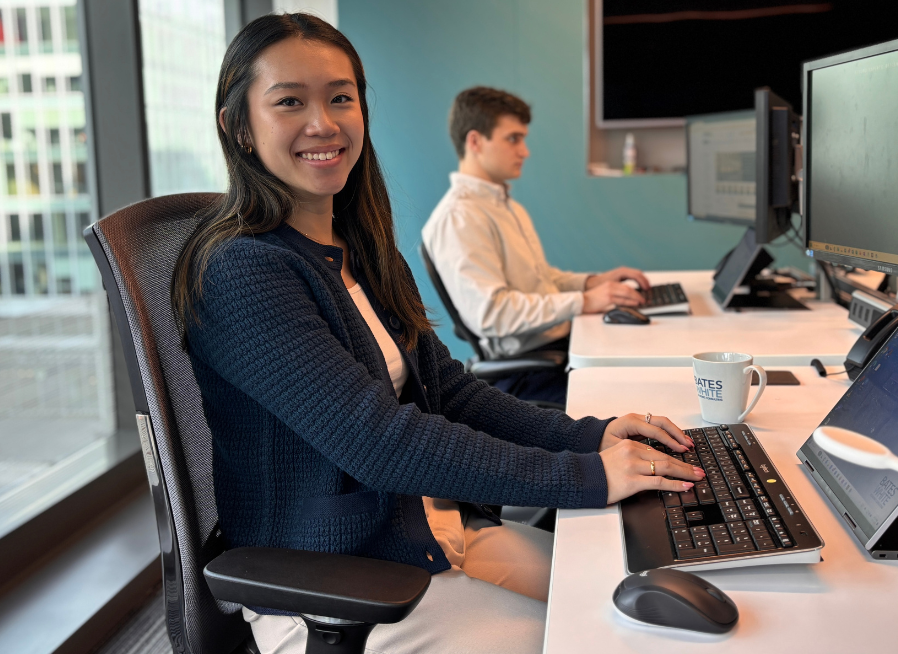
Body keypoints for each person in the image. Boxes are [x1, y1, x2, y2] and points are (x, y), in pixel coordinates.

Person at [171, 14, 703, 654]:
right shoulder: (243, 271)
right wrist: (587, 475)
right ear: (238, 125)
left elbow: (451, 392)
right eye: (290, 101)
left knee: (631, 590)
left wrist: (593, 435)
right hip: (337, 583)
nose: (324, 123)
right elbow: (378, 443)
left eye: (341, 98)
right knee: (599, 636)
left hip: (423, 530)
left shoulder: (359, 248)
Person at [421, 87, 650, 405]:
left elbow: (541, 279)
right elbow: (492, 313)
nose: (525, 150)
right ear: (475, 142)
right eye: (513, 138)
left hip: (556, 349)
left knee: (646, 363)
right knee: (642, 392)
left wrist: (594, 283)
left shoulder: (505, 205)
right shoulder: (460, 218)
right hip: (528, 375)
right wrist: (583, 301)